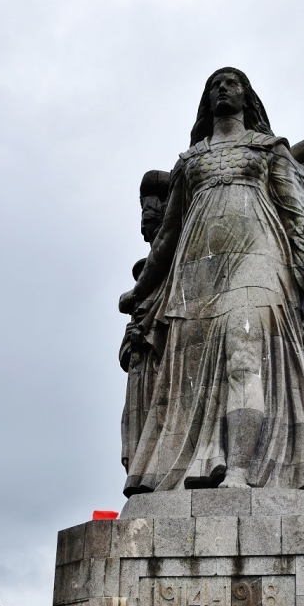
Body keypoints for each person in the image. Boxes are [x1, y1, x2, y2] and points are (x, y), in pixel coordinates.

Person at [119, 68, 304, 494]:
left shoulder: (269, 149)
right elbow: (167, 235)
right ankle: (190, 467)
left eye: (231, 83)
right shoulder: (189, 162)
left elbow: (294, 212)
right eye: (214, 84)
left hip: (260, 258)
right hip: (196, 268)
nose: (222, 89)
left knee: (244, 355)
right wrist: (141, 292)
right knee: (192, 375)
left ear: (246, 96)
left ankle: (239, 470)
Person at [120, 170, 170, 472]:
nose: (144, 233)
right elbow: (123, 353)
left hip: (163, 367)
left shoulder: (173, 273)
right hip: (141, 372)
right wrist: (133, 339)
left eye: (149, 221)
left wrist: (148, 334)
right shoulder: (140, 307)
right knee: (136, 433)